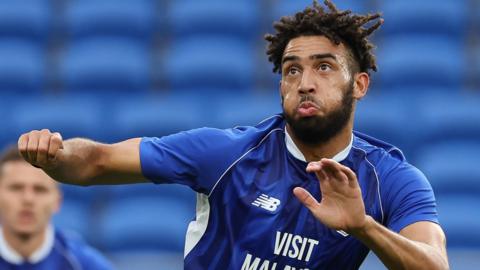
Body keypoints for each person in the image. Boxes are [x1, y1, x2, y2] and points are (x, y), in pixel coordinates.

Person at [17, 1, 449, 269]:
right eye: (292, 69)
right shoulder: (227, 153)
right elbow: (97, 161)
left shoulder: (389, 179)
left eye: (324, 66)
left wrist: (364, 227)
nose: (305, 82)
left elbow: (433, 267)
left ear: (359, 86)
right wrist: (54, 155)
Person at [0, 145, 115, 270]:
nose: (28, 199)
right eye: (16, 188)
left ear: (57, 201)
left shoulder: (83, 263)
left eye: (40, 190)